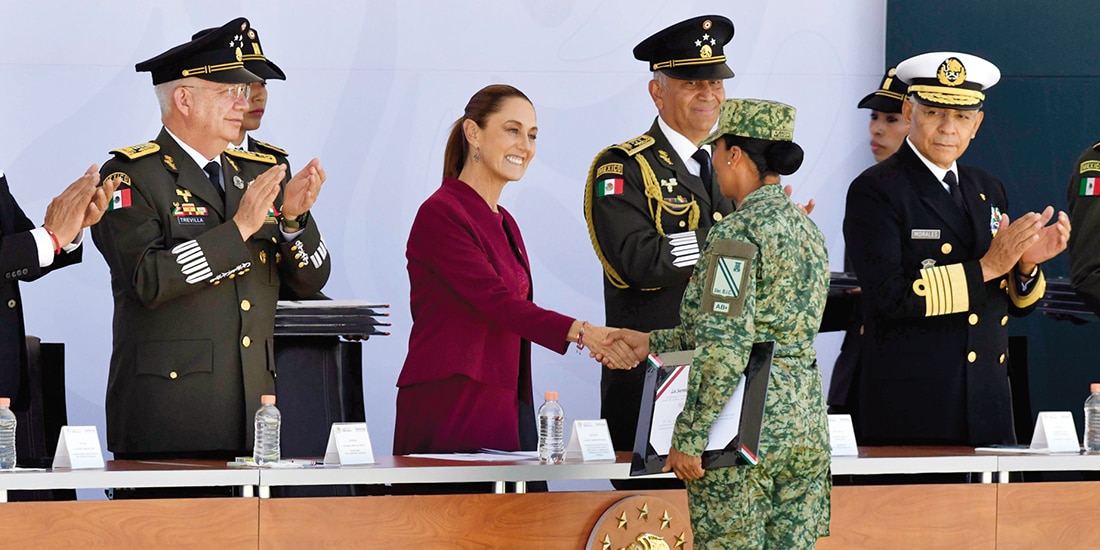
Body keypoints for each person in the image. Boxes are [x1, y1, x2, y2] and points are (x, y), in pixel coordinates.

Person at [91, 17, 331, 460]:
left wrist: (294, 219)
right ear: (183, 98)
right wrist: (238, 229)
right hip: (171, 419)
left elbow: (310, 281)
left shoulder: (259, 172)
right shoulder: (131, 176)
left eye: (246, 91)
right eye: (229, 91)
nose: (245, 102)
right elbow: (149, 280)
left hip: (257, 416)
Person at [607, 98, 831, 548]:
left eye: (716, 152)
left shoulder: (735, 233)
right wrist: (650, 340)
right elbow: (767, 328)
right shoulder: (807, 230)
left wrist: (689, 437)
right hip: (805, 429)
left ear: (734, 155)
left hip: (744, 435)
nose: (713, 164)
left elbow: (726, 345)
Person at [394, 84, 635, 464]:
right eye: (512, 130)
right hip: (453, 400)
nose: (525, 145)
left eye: (532, 135)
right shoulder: (441, 213)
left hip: (503, 399)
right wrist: (584, 332)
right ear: (473, 133)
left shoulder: (505, 221)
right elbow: (497, 303)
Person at [843, 52, 1070, 446]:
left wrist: (1024, 267)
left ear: (977, 124)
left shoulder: (987, 187)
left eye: (962, 117)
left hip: (989, 403)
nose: (949, 128)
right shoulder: (876, 189)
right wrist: (987, 267)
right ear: (909, 110)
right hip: (914, 407)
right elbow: (887, 297)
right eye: (934, 112)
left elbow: (1012, 305)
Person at [582, 16, 737, 484]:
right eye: (692, 83)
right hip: (655, 379)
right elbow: (637, 261)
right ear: (657, 91)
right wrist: (729, 241)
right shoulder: (623, 164)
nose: (708, 94)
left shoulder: (731, 166)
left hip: (723, 385)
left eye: (715, 82)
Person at [826, 66, 910, 421]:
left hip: (908, 373)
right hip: (859, 367)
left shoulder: (954, 194)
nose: (876, 128)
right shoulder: (868, 190)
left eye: (891, 119)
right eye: (874, 117)